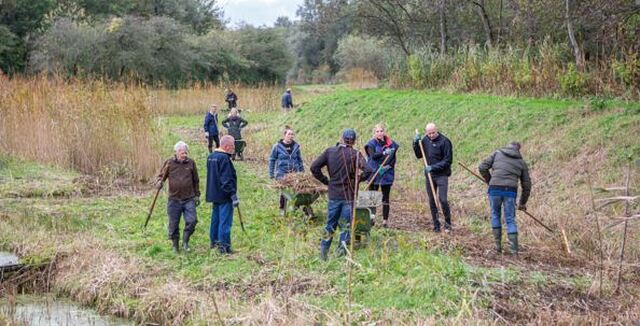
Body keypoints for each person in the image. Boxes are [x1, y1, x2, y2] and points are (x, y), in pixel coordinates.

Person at [311, 129, 373, 261]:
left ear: (342, 138)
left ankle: (323, 254)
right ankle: (340, 253)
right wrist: (358, 179)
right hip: (349, 196)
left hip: (334, 194)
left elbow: (314, 167)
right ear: (354, 141)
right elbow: (368, 170)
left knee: (330, 224)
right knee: (345, 226)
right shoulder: (356, 154)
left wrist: (327, 181)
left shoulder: (330, 151)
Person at [478, 141, 531, 255]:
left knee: (495, 215)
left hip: (495, 189)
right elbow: (527, 185)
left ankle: (498, 248)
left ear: (507, 146)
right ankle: (514, 252)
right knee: (510, 219)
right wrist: (522, 203)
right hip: (510, 192)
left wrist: (490, 181)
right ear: (518, 149)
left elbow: (482, 167)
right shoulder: (521, 162)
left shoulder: (497, 153)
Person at [155, 141, 200, 253]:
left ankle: (185, 241)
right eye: (182, 153)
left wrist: (197, 195)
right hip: (174, 199)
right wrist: (159, 182)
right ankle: (175, 245)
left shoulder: (191, 163)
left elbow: (196, 180)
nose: (184, 155)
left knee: (192, 220)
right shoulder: (169, 163)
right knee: (173, 224)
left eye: (186, 153)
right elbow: (161, 177)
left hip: (189, 198)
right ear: (176, 152)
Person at [413, 122, 453, 232]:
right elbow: (418, 155)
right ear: (426, 132)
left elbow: (448, 161)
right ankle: (436, 225)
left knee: (443, 199)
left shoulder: (445, 141)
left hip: (442, 175)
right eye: (429, 133)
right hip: (430, 176)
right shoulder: (425, 140)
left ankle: (448, 223)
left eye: (433, 133)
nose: (431, 135)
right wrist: (416, 143)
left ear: (437, 130)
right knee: (432, 200)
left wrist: (433, 167)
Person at [206, 135, 239, 254]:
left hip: (214, 194)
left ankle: (214, 242)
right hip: (224, 195)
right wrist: (233, 194)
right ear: (226, 146)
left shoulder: (211, 157)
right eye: (232, 146)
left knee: (215, 219)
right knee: (225, 221)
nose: (234, 148)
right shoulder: (224, 159)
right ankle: (224, 246)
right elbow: (226, 179)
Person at [364, 123, 399, 228]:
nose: (379, 133)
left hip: (386, 174)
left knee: (385, 198)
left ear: (384, 131)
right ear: (374, 133)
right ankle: (371, 219)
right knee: (372, 197)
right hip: (374, 172)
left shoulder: (391, 144)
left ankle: (385, 221)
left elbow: (393, 159)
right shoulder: (371, 144)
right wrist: (384, 153)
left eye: (381, 131)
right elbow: (372, 156)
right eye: (377, 131)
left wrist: (387, 167)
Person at [269, 126, 304, 216]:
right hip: (282, 173)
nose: (291, 136)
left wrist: (302, 172)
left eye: (292, 134)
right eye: (289, 134)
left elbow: (299, 160)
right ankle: (282, 209)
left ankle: (295, 208)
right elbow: (272, 160)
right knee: (284, 192)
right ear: (284, 135)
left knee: (296, 191)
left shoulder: (296, 147)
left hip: (294, 173)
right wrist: (271, 174)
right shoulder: (277, 147)